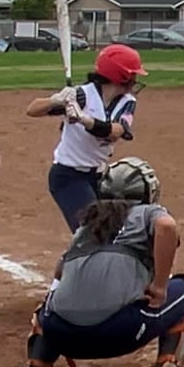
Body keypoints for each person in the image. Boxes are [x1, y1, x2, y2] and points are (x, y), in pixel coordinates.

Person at [0, 158, 184, 367]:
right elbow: (166, 226)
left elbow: (59, 272)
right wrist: (158, 286)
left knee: (49, 305)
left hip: (62, 335)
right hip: (120, 333)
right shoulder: (149, 212)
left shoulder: (89, 222)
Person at [26, 43, 147, 231]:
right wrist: (56, 100)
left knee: (114, 229)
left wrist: (84, 119)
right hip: (68, 176)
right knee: (92, 232)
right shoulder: (81, 95)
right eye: (132, 75)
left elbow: (115, 132)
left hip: (101, 177)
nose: (135, 80)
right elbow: (32, 110)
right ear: (121, 75)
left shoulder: (127, 102)